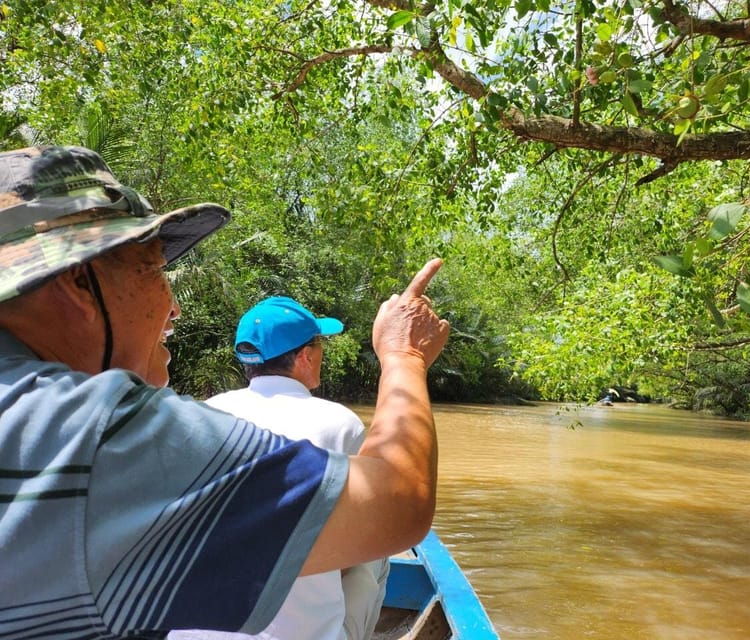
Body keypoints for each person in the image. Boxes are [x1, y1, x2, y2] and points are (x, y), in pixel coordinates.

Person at [0, 145, 449, 638]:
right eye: (154, 268)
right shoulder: (94, 432)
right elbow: (401, 503)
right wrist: (404, 356)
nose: (172, 310)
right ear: (76, 282)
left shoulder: (197, 412)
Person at [171, 297, 388, 640]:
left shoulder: (203, 414)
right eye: (319, 344)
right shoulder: (339, 424)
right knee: (379, 550)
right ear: (306, 356)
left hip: (191, 633)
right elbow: (358, 541)